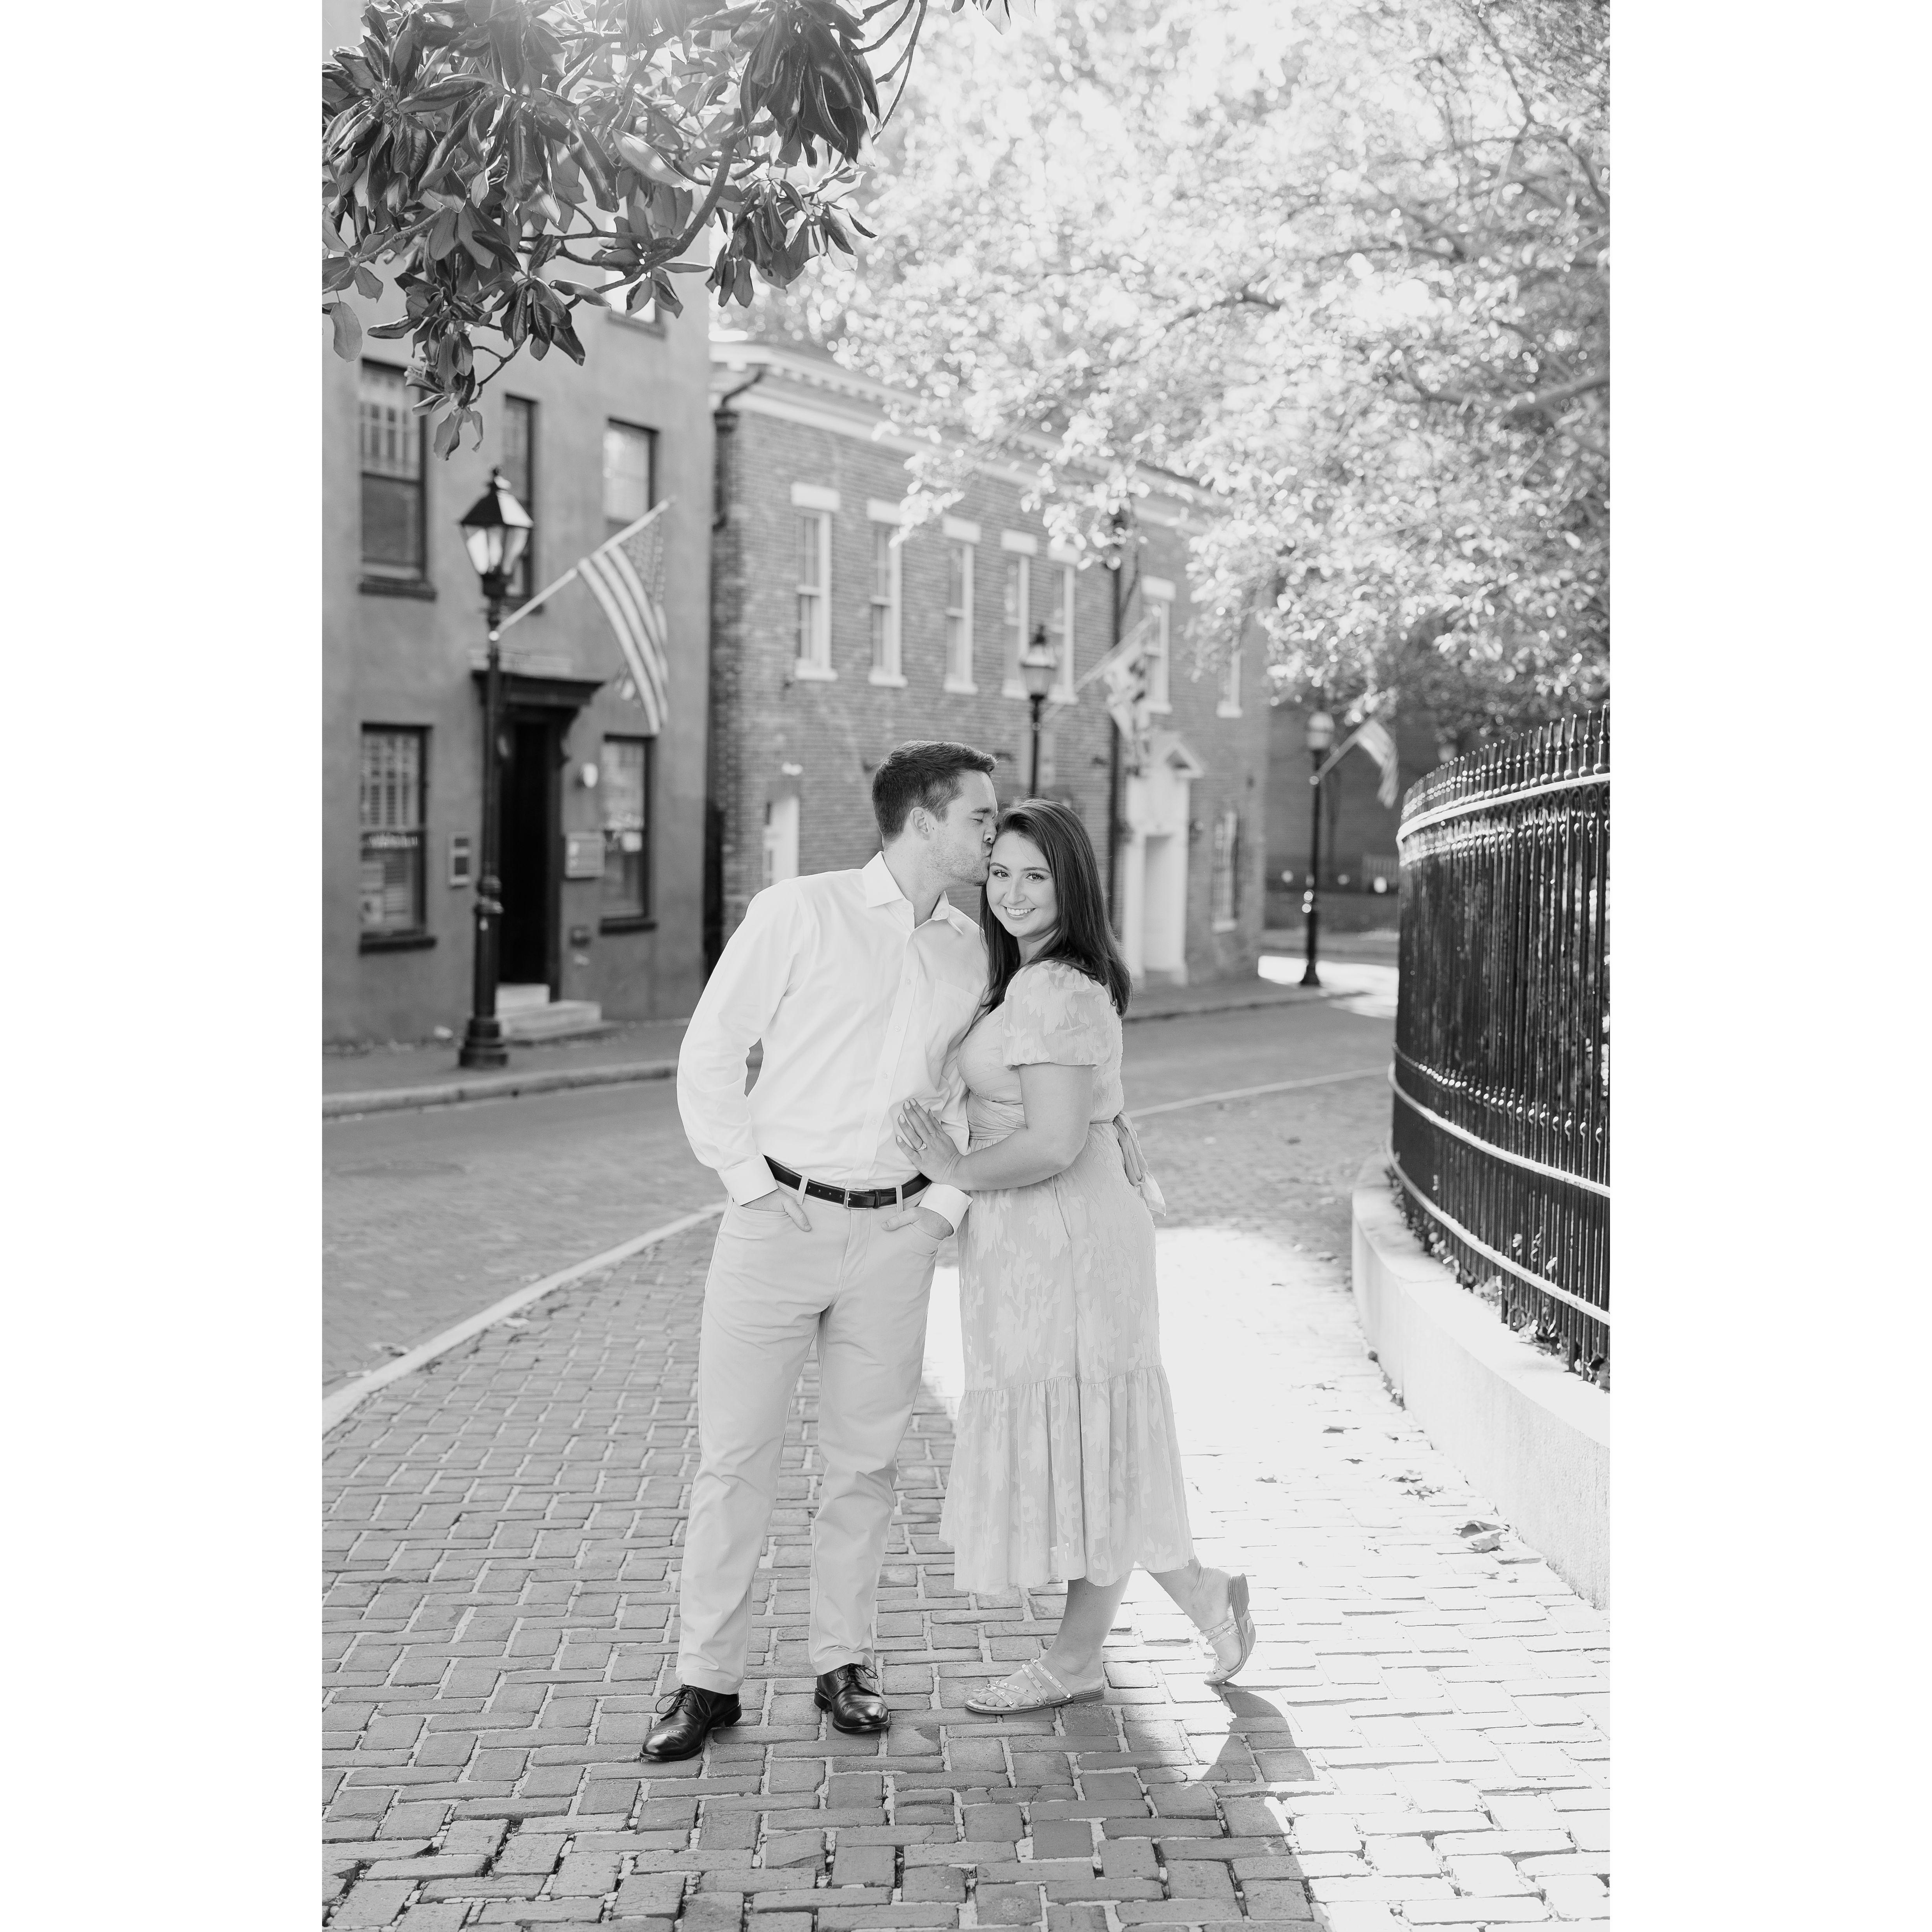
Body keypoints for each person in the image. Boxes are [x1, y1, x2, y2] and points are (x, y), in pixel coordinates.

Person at [646, 741, 999, 1760]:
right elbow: (711, 1049)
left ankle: (842, 1664)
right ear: (923, 821)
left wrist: (938, 1212)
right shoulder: (799, 912)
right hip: (778, 1224)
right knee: (735, 1461)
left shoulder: (972, 952)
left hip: (895, 1235)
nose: (993, 832)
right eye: (980, 816)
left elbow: (969, 1095)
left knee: (865, 1465)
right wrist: (750, 1188)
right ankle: (706, 1680)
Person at [894, 799, 1255, 1711]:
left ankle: (1076, 1659)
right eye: (1001, 873)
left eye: (1036, 877)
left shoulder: (1054, 988)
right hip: (1038, 1241)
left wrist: (952, 1169)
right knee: (1093, 1443)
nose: (1013, 893)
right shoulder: (1029, 977)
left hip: (1066, 1242)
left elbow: (1053, 1142)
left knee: (1092, 1441)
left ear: (1072, 885)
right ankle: (1199, 1598)